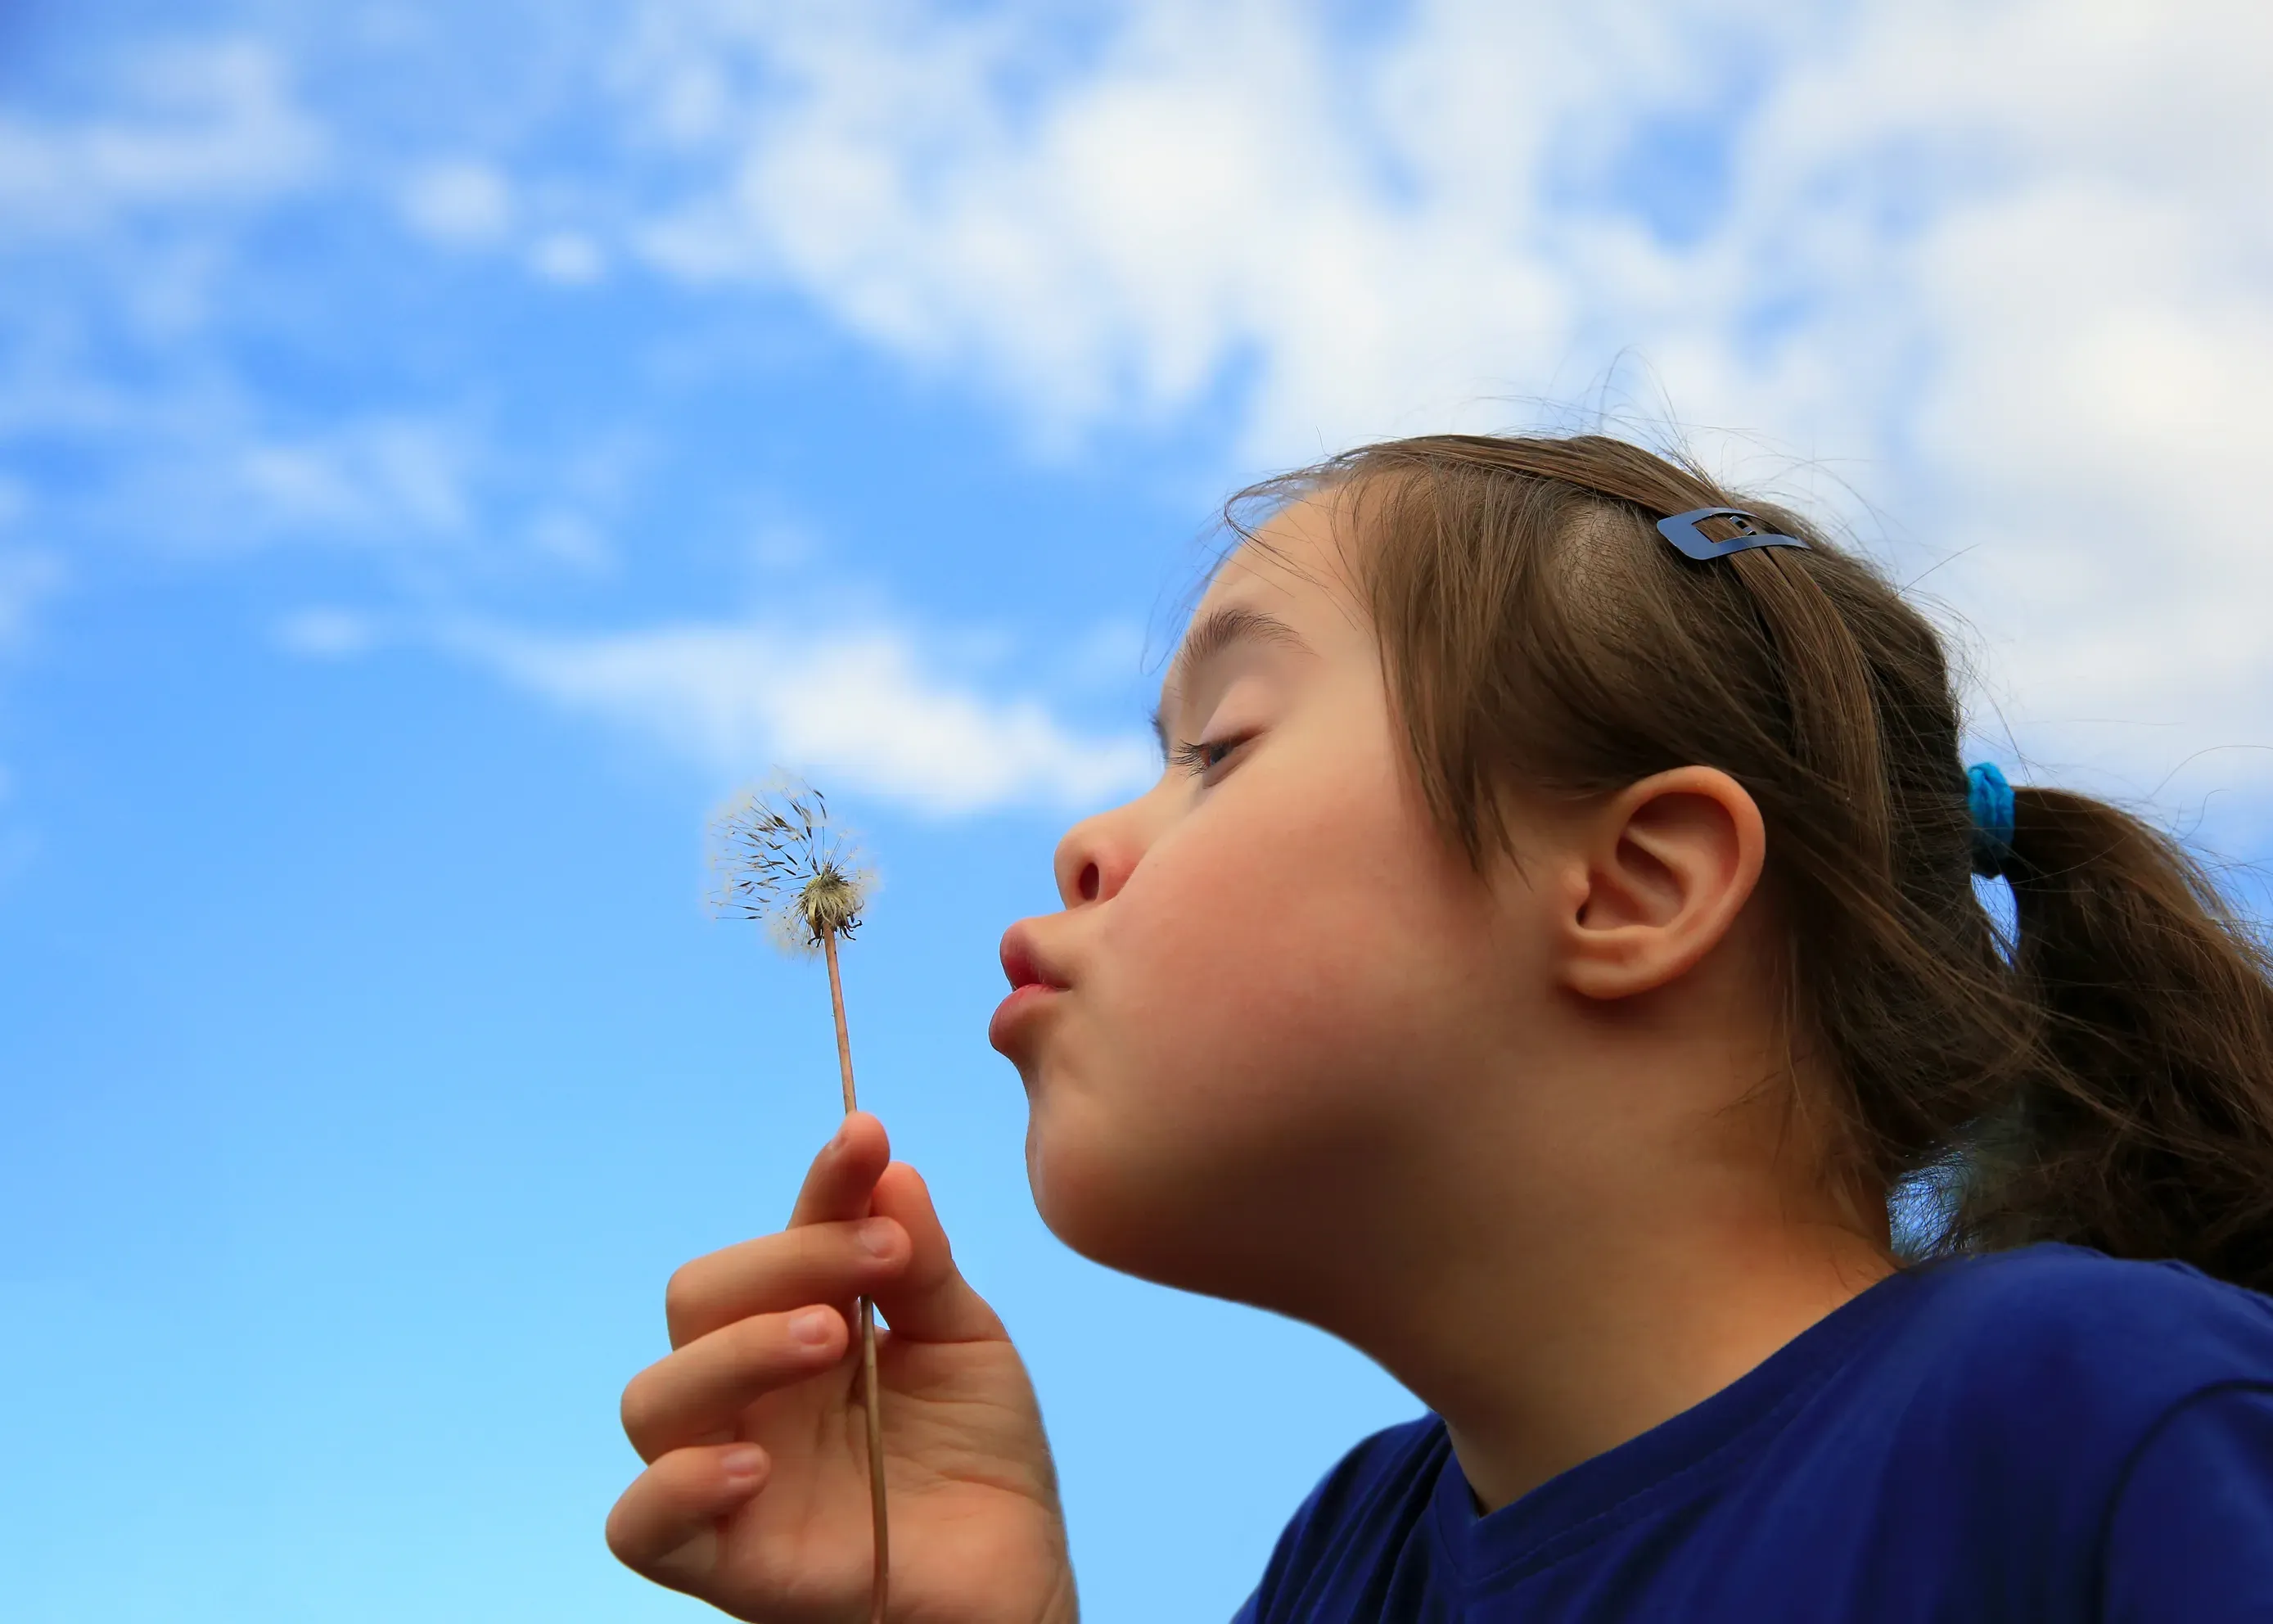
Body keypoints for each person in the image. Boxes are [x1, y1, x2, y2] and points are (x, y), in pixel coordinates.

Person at [603, 434, 2273, 1622]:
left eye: (1222, 746)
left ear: (1629, 883)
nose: (1087, 839)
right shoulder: (1349, 1560)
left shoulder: (2100, 1417)